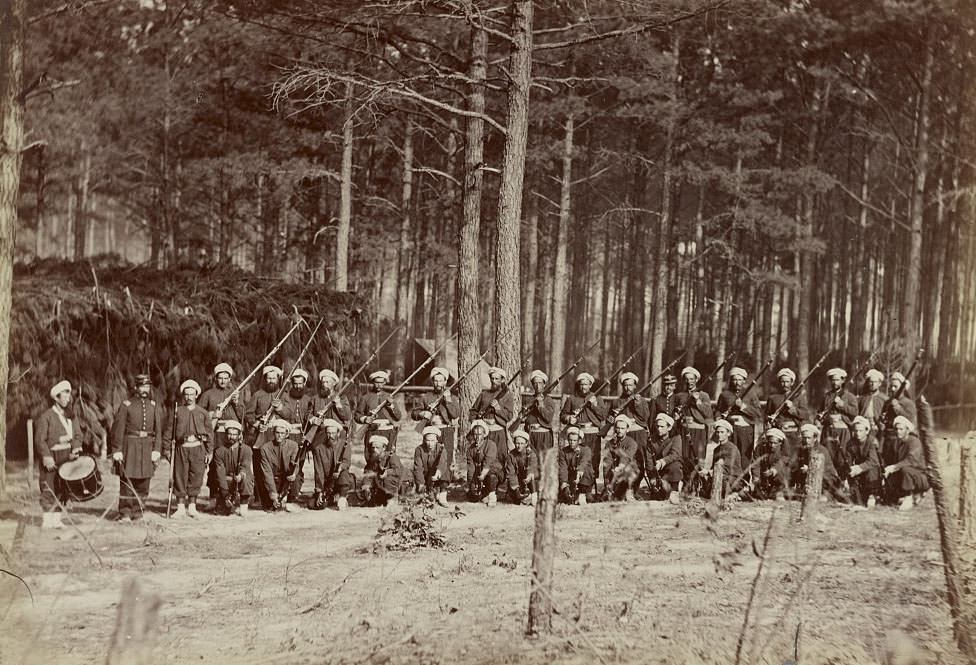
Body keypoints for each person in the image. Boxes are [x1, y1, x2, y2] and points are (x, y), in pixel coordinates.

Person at [110, 374, 164, 521]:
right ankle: (125, 512)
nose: (145, 389)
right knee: (128, 480)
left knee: (144, 481)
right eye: (142, 386)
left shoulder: (153, 406)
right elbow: (118, 429)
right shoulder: (126, 405)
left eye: (147, 386)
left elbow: (158, 430)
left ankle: (138, 511)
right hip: (130, 445)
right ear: (136, 388)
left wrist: (157, 450)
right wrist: (117, 450)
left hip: (147, 446)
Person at [34, 380, 83, 528]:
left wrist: (75, 449)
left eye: (69, 396)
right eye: (65, 395)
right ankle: (47, 520)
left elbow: (78, 435)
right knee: (49, 486)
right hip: (52, 457)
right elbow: (39, 439)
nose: (68, 399)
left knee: (62, 488)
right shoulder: (46, 416)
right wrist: (46, 457)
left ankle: (56, 520)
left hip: (67, 456)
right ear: (56, 398)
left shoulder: (71, 416)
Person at [200, 363, 242, 508]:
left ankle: (230, 496)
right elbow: (200, 414)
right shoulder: (208, 394)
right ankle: (213, 497)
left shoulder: (235, 393)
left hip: (232, 435)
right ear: (216, 378)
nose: (223, 381)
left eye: (226, 378)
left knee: (232, 464)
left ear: (230, 378)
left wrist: (236, 403)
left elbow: (243, 416)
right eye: (220, 378)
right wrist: (212, 415)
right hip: (216, 434)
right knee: (214, 466)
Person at [245, 365, 285, 508]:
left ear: (278, 379)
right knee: (259, 469)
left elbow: (290, 416)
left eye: (274, 378)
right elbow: (248, 414)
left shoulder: (283, 395)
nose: (271, 381)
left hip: (278, 438)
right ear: (265, 379)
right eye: (269, 378)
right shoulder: (258, 395)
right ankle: (261, 498)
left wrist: (281, 408)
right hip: (260, 437)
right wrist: (256, 424)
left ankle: (277, 497)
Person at [170, 380, 211, 518]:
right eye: (186, 394)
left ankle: (192, 507)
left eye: (191, 394)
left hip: (198, 448)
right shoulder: (177, 411)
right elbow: (169, 431)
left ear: (196, 395)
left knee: (196, 476)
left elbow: (209, 433)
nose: (188, 397)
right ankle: (180, 507)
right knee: (180, 476)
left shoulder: (203, 413)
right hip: (181, 448)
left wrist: (209, 451)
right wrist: (166, 450)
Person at [410, 367, 460, 478]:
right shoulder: (426, 397)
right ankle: (430, 482)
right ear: (432, 381)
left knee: (447, 457)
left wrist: (448, 402)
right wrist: (423, 414)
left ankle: (443, 485)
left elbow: (455, 414)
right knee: (430, 457)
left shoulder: (452, 398)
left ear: (445, 382)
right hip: (431, 431)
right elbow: (414, 413)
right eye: (436, 380)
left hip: (446, 430)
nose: (438, 383)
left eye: (441, 380)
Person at [560, 372, 607, 481]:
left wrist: (594, 405)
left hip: (593, 433)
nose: (583, 387)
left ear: (590, 385)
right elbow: (563, 415)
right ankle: (577, 485)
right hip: (578, 434)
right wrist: (569, 418)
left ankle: (589, 487)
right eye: (581, 384)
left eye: (586, 384)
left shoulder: (597, 398)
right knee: (578, 459)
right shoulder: (572, 399)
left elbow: (603, 415)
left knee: (594, 459)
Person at [763, 368, 809, 477]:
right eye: (782, 381)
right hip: (779, 434)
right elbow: (767, 416)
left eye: (787, 381)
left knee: (794, 460)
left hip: (793, 434)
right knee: (780, 459)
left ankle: (793, 485)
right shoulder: (773, 398)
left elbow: (805, 414)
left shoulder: (799, 397)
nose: (785, 384)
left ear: (792, 382)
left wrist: (793, 409)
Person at [469, 367, 515, 474]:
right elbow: (473, 411)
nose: (494, 381)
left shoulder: (508, 396)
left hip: (499, 433)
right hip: (484, 433)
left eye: (497, 379)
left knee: (500, 457)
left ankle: (500, 485)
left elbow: (509, 416)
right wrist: (477, 423)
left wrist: (498, 409)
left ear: (502, 380)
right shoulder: (484, 395)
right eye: (492, 378)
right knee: (483, 456)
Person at [716, 367, 762, 471]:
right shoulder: (724, 395)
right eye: (734, 379)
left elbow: (758, 413)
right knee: (728, 453)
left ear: (744, 380)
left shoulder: (751, 394)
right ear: (731, 380)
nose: (737, 382)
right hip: (730, 430)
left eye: (740, 380)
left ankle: (743, 481)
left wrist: (743, 406)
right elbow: (717, 411)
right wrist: (720, 417)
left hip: (745, 430)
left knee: (744, 457)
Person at [818, 368, 858, 480]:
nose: (835, 382)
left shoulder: (850, 396)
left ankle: (843, 483)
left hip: (844, 432)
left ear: (842, 381)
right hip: (829, 431)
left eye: (837, 380)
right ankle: (829, 484)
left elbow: (855, 412)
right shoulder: (826, 397)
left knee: (843, 457)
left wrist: (841, 404)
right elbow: (820, 413)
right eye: (833, 380)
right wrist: (825, 419)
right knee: (828, 457)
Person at [355, 370, 402, 466]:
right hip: (372, 431)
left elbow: (398, 417)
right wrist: (365, 419)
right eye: (376, 382)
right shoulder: (366, 397)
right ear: (373, 382)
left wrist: (391, 406)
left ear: (385, 382)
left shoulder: (389, 397)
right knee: (371, 457)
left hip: (388, 431)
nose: (379, 385)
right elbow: (357, 415)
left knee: (388, 457)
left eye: (381, 382)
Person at [883, 415, 929, 510]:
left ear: (907, 430)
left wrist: (894, 467)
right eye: (896, 429)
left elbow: (911, 460)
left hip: (920, 475)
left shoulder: (914, 441)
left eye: (901, 429)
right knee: (888, 499)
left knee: (905, 470)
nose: (898, 431)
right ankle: (909, 494)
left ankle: (909, 495)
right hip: (905, 474)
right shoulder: (896, 442)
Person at [612, 372, 651, 482]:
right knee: (623, 459)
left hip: (639, 434)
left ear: (635, 386)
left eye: (630, 385)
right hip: (624, 434)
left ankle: (635, 488)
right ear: (622, 386)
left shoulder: (641, 400)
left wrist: (638, 404)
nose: (628, 388)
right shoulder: (617, 401)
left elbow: (645, 417)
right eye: (626, 385)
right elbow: (610, 419)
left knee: (639, 460)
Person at [676, 366, 714, 481]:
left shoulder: (704, 395)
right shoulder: (680, 396)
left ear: (696, 380)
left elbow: (708, 414)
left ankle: (697, 486)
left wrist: (698, 401)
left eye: (692, 379)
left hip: (699, 431)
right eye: (687, 379)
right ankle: (686, 485)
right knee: (684, 457)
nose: (689, 382)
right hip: (684, 430)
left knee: (698, 459)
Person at [309, 419, 354, 511]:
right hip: (328, 483)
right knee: (314, 504)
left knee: (344, 473)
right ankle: (333, 498)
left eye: (333, 433)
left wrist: (339, 468)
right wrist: (319, 491)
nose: (331, 436)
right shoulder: (318, 449)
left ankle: (342, 497)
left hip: (342, 480)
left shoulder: (344, 444)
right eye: (328, 433)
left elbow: (347, 462)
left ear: (338, 433)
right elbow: (319, 471)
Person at [211, 420, 253, 516]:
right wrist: (225, 492)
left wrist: (241, 475)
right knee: (222, 512)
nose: (231, 437)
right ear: (225, 434)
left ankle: (243, 505)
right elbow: (220, 472)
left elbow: (245, 465)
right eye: (229, 434)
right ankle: (223, 499)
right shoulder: (219, 451)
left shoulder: (246, 449)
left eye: (234, 434)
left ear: (239, 435)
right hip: (226, 479)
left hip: (240, 478)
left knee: (247, 477)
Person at [260, 419, 302, 512]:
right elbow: (267, 472)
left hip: (287, 478)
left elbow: (295, 464)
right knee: (270, 506)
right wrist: (273, 492)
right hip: (273, 479)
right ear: (273, 433)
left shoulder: (294, 445)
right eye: (277, 432)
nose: (279, 435)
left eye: (282, 433)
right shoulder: (265, 448)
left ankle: (290, 502)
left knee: (297, 477)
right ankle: (275, 498)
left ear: (287, 434)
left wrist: (293, 474)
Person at [796, 423, 846, 503]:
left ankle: (828, 496)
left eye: (809, 438)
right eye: (804, 438)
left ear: (815, 438)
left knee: (822, 499)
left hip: (827, 481)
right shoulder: (803, 450)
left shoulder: (821, 450)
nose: (806, 441)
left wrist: (809, 469)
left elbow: (825, 471)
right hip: (813, 481)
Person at [699, 419, 742, 501]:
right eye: (718, 432)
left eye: (722, 432)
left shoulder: (732, 448)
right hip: (720, 476)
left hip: (732, 478)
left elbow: (725, 468)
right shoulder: (716, 449)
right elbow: (714, 467)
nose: (719, 435)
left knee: (721, 483)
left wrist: (708, 472)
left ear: (728, 433)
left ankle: (734, 494)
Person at [646, 413, 683, 503]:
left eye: (662, 426)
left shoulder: (676, 437)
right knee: (657, 497)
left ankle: (675, 490)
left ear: (669, 428)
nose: (659, 429)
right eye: (657, 426)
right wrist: (652, 476)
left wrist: (663, 461)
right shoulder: (651, 439)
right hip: (657, 470)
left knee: (675, 465)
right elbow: (649, 459)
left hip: (670, 467)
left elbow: (675, 454)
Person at [602, 414, 639, 501]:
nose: (619, 431)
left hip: (627, 470)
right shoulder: (609, 443)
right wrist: (607, 481)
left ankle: (629, 490)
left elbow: (627, 457)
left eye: (622, 428)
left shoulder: (631, 443)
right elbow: (607, 461)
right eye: (617, 428)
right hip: (614, 472)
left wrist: (620, 467)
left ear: (627, 429)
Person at [466, 420, 503, 506]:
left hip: (494, 471)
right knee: (473, 496)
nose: (477, 437)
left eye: (479, 434)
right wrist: (471, 481)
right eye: (475, 434)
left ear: (484, 434)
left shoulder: (491, 445)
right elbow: (470, 466)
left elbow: (488, 462)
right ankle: (484, 493)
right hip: (480, 473)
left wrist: (483, 474)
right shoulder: (470, 449)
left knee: (491, 476)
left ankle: (492, 495)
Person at [846, 416, 882, 507]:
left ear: (866, 431)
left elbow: (873, 461)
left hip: (873, 471)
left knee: (872, 470)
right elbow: (848, 460)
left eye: (861, 431)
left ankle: (872, 495)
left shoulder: (872, 441)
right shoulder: (851, 443)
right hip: (859, 471)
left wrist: (860, 468)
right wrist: (849, 470)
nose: (858, 433)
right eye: (856, 430)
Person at [361, 434, 403, 508]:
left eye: (377, 447)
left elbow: (398, 471)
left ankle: (392, 499)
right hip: (382, 486)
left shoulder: (391, 456)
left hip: (398, 483)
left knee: (388, 479)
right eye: (373, 447)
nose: (374, 450)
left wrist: (387, 472)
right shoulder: (373, 458)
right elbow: (368, 474)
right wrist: (366, 487)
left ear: (384, 448)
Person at [521, 370, 557, 455]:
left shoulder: (548, 400)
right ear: (532, 385)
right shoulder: (529, 400)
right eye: (535, 383)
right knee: (531, 461)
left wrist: (540, 405)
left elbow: (548, 418)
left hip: (544, 436)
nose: (537, 386)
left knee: (544, 463)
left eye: (540, 383)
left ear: (544, 384)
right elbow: (523, 417)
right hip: (530, 434)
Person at [413, 425, 450, 506]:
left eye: (432, 440)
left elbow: (442, 463)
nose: (430, 443)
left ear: (437, 440)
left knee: (446, 471)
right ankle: (431, 491)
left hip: (437, 475)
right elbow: (418, 468)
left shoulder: (441, 449)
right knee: (427, 497)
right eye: (428, 440)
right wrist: (420, 483)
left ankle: (443, 495)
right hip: (426, 476)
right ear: (424, 440)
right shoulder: (419, 450)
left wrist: (437, 474)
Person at [558, 426, 594, 505]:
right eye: (570, 440)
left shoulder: (586, 449)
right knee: (565, 497)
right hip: (571, 478)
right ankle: (572, 493)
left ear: (579, 440)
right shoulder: (563, 452)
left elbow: (584, 462)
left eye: (575, 440)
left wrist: (580, 471)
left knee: (587, 469)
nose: (572, 442)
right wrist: (564, 483)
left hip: (584, 477)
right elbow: (563, 468)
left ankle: (583, 493)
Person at [506, 430, 539, 505]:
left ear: (526, 443)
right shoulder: (511, 455)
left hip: (529, 479)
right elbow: (511, 472)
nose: (519, 446)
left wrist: (528, 477)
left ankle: (534, 495)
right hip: (518, 481)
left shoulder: (531, 454)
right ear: (514, 443)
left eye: (522, 443)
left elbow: (532, 467)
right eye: (517, 443)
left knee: (533, 478)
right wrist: (515, 487)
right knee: (516, 500)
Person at [757, 428, 791, 500]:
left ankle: (780, 491)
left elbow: (783, 461)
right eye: (770, 442)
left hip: (778, 477)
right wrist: (756, 478)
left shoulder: (783, 451)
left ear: (780, 443)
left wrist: (773, 470)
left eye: (775, 443)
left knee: (784, 470)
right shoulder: (761, 448)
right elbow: (755, 463)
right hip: (764, 476)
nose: (772, 445)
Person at [858, 369, 887, 434]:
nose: (872, 384)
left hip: (878, 430)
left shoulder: (884, 399)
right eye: (870, 382)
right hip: (863, 430)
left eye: (875, 382)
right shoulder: (862, 398)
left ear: (879, 383)